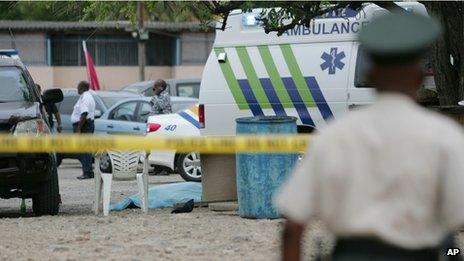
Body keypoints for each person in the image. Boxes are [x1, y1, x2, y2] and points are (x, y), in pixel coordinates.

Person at [275, 12, 464, 260]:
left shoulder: (334, 135)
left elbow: (293, 228)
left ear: (371, 76)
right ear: (419, 79)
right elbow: (456, 216)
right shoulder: (444, 136)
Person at [71, 81, 96, 180]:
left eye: (78, 86)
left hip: (84, 126)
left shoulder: (85, 97)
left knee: (84, 150)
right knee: (86, 150)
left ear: (82, 87)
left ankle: (87, 172)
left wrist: (78, 129)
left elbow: (84, 113)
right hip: (86, 125)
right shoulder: (87, 96)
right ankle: (88, 171)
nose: (77, 88)